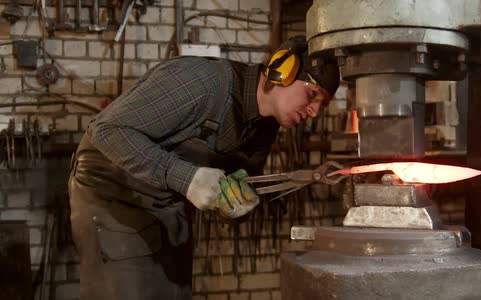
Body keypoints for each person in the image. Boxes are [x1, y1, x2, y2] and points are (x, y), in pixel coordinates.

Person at [67, 35, 340, 300]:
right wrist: (186, 178)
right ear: (282, 71)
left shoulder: (264, 128)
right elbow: (106, 131)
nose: (314, 111)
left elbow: (237, 188)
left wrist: (235, 206)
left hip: (168, 207)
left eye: (322, 105)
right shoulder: (203, 81)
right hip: (114, 198)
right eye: (312, 94)